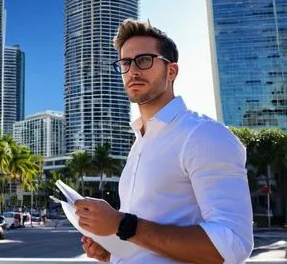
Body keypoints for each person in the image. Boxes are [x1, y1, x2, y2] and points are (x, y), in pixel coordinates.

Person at [75, 20, 253, 263]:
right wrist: (112, 251)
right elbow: (146, 241)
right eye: (126, 63)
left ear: (171, 71)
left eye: (144, 60)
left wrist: (121, 224)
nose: (133, 71)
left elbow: (231, 245)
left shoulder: (204, 135)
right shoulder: (140, 143)